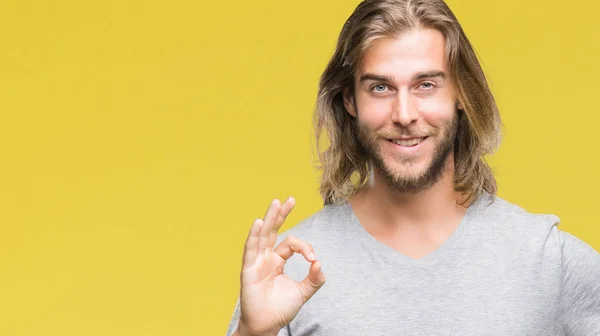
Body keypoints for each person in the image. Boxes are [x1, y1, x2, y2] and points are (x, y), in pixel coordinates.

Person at [226, 0, 600, 335]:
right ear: (350, 101)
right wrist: (252, 333)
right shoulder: (289, 271)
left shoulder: (549, 262)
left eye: (425, 85)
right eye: (380, 88)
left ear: (460, 94)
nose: (404, 114)